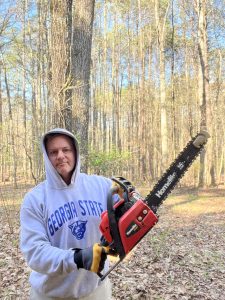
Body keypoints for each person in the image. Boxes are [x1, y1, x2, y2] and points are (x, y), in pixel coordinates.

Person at [20, 128, 113, 300]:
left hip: (96, 290)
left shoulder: (102, 186)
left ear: (75, 152)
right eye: (53, 152)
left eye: (66, 150)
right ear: (47, 158)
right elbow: (35, 253)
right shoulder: (35, 199)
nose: (60, 156)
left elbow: (128, 215)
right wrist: (77, 258)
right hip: (51, 294)